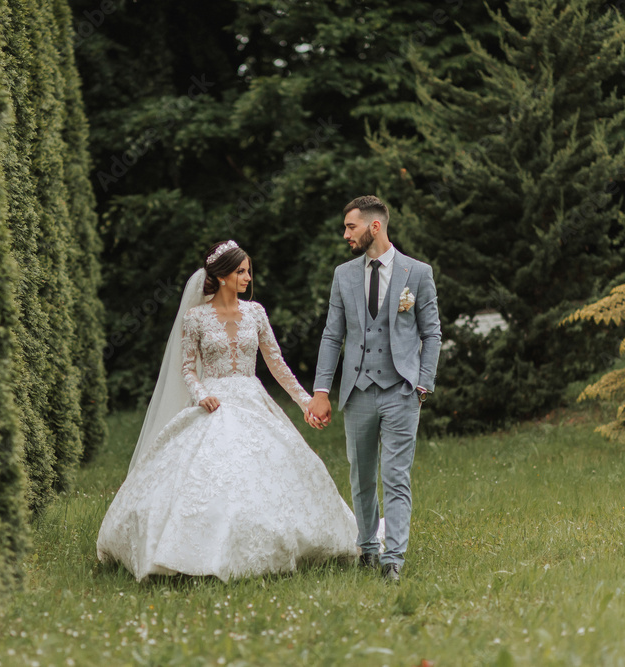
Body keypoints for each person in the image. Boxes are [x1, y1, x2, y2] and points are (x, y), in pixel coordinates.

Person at [97, 240, 361, 582]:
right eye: (241, 271)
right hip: (215, 402)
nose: (248, 277)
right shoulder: (195, 318)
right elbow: (188, 368)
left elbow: (276, 363)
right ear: (221, 276)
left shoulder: (256, 312)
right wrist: (200, 393)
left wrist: (305, 400)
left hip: (252, 397)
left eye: (248, 271)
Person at [306, 195, 441, 583]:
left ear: (374, 226)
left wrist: (422, 384)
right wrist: (320, 390)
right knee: (361, 475)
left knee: (396, 475)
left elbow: (431, 333)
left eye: (351, 227)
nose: (345, 234)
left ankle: (393, 557)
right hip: (359, 390)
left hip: (401, 390)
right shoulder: (343, 275)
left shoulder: (417, 273)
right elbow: (332, 336)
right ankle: (368, 548)